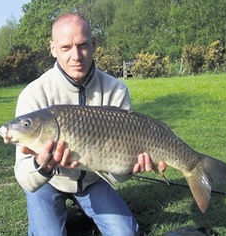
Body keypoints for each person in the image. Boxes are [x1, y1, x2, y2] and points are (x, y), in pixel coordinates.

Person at [15, 12, 167, 236]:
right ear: (53, 48)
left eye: (83, 45)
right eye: (66, 47)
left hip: (94, 181)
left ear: (94, 44)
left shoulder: (116, 90)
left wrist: (129, 168)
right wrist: (43, 166)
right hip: (48, 184)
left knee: (126, 234)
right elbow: (25, 178)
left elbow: (117, 174)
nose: (76, 56)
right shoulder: (34, 95)